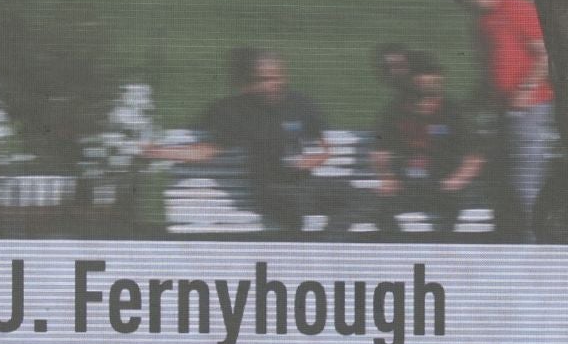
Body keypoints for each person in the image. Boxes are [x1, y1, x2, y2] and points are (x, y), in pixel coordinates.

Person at [150, 46, 352, 236]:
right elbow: (205, 151)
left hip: (306, 184)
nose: (272, 85)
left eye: (277, 77)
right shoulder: (237, 112)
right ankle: (302, 250)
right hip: (273, 190)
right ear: (249, 83)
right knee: (293, 208)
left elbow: (323, 147)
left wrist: (313, 159)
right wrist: (157, 151)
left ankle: (332, 242)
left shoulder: (299, 103)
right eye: (263, 79)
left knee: (362, 199)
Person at [473, 0, 555, 239]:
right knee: (499, 180)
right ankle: (507, 240)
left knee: (524, 181)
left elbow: (544, 55)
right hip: (500, 109)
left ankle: (534, 242)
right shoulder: (481, 19)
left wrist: (525, 90)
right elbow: (487, 64)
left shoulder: (519, 9)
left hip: (529, 106)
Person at [370, 58, 485, 235]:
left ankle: (440, 252)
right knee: (379, 208)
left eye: (432, 93)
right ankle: (399, 249)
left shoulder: (453, 112)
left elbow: (475, 156)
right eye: (420, 94)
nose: (425, 102)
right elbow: (380, 151)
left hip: (443, 183)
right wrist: (387, 176)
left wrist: (458, 179)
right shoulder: (395, 110)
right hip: (406, 183)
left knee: (450, 211)